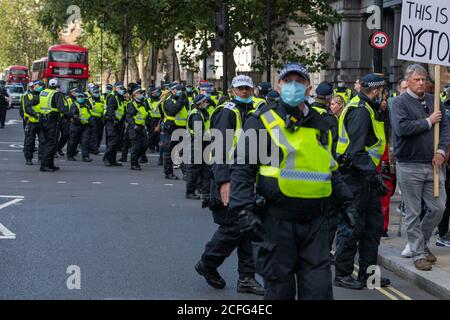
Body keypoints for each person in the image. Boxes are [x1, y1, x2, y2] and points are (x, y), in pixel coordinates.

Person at [229, 63, 355, 300]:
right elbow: (243, 169)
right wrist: (243, 209)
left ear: (309, 87)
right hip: (277, 222)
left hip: (316, 223)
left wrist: (347, 203)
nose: (294, 86)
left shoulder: (321, 123)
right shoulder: (262, 120)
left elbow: (331, 168)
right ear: (279, 85)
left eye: (299, 81)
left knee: (319, 292)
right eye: (288, 81)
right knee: (280, 293)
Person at [195, 75, 265, 297]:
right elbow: (218, 150)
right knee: (233, 227)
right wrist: (224, 181)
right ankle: (208, 262)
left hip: (248, 177)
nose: (244, 92)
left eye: (247, 88)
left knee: (249, 228)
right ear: (233, 90)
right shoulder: (227, 112)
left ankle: (246, 278)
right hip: (228, 177)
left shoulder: (254, 111)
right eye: (240, 88)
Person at [334, 73, 391, 289]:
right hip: (354, 178)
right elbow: (355, 152)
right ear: (376, 91)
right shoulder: (360, 111)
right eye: (382, 91)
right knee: (352, 226)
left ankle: (369, 276)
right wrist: (374, 174)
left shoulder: (369, 108)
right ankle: (342, 274)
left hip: (366, 177)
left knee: (373, 228)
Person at [391, 64, 450, 271]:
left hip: (433, 164)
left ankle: (422, 244)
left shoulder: (434, 101)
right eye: (417, 79)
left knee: (438, 207)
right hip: (409, 165)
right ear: (407, 81)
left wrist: (442, 151)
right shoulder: (399, 103)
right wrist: (427, 121)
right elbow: (402, 128)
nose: (422, 83)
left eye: (424, 79)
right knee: (413, 212)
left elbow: (444, 127)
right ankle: (418, 253)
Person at [160, 83, 189, 180]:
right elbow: (174, 110)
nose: (181, 91)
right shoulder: (168, 101)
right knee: (169, 151)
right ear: (173, 90)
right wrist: (182, 99)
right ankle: (168, 173)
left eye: (181, 89)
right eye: (178, 89)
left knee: (183, 151)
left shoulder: (183, 99)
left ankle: (186, 173)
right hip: (171, 128)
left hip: (182, 128)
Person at [37, 78, 67, 172]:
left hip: (42, 120)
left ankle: (50, 164)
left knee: (46, 142)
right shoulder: (56, 94)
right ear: (57, 86)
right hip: (51, 121)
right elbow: (61, 108)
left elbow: (33, 103)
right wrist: (71, 115)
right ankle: (45, 165)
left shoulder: (42, 93)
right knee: (51, 143)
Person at [185, 94, 210, 200]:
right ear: (200, 103)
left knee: (206, 169)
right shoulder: (197, 115)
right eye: (205, 102)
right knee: (194, 169)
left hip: (203, 144)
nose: (207, 103)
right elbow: (199, 133)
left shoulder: (202, 113)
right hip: (197, 144)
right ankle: (190, 192)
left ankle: (206, 192)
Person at [125, 86, 149, 171]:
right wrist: (135, 126)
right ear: (134, 94)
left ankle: (136, 160)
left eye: (142, 93)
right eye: (140, 93)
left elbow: (145, 115)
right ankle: (134, 164)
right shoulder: (132, 104)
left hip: (142, 127)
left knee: (145, 145)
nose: (141, 94)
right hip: (134, 128)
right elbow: (128, 117)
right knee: (136, 147)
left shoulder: (143, 103)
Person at [103, 83, 125, 167]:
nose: (122, 89)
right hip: (111, 121)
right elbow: (110, 110)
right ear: (115, 88)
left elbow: (121, 111)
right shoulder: (112, 97)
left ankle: (112, 160)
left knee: (116, 141)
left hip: (118, 122)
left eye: (123, 88)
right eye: (120, 88)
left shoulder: (120, 98)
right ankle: (106, 158)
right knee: (112, 141)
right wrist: (114, 119)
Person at [67, 93, 94, 162]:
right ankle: (70, 155)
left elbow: (89, 115)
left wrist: (91, 122)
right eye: (79, 97)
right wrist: (77, 119)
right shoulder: (74, 105)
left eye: (82, 97)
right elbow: (71, 114)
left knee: (85, 142)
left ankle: (85, 157)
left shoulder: (86, 105)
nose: (81, 98)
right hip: (76, 126)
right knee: (73, 142)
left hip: (85, 126)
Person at [23, 81, 44, 165]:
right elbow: (27, 108)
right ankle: (28, 158)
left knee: (43, 141)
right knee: (30, 141)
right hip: (31, 121)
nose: (40, 87)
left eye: (42, 86)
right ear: (34, 86)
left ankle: (41, 158)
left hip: (42, 122)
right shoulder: (28, 96)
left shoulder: (43, 95)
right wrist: (35, 114)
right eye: (39, 85)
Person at [88, 85, 105, 155]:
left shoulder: (102, 99)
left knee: (99, 134)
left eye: (98, 92)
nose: (97, 93)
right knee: (94, 134)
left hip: (100, 119)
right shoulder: (90, 99)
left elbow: (105, 108)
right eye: (95, 92)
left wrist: (103, 116)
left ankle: (95, 147)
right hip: (93, 118)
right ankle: (94, 149)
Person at [146, 86, 162, 154]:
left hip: (160, 119)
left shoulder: (160, 99)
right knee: (152, 134)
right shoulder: (148, 100)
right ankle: (152, 147)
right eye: (155, 92)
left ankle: (158, 147)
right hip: (151, 119)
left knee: (159, 134)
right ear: (151, 93)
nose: (156, 93)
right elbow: (146, 110)